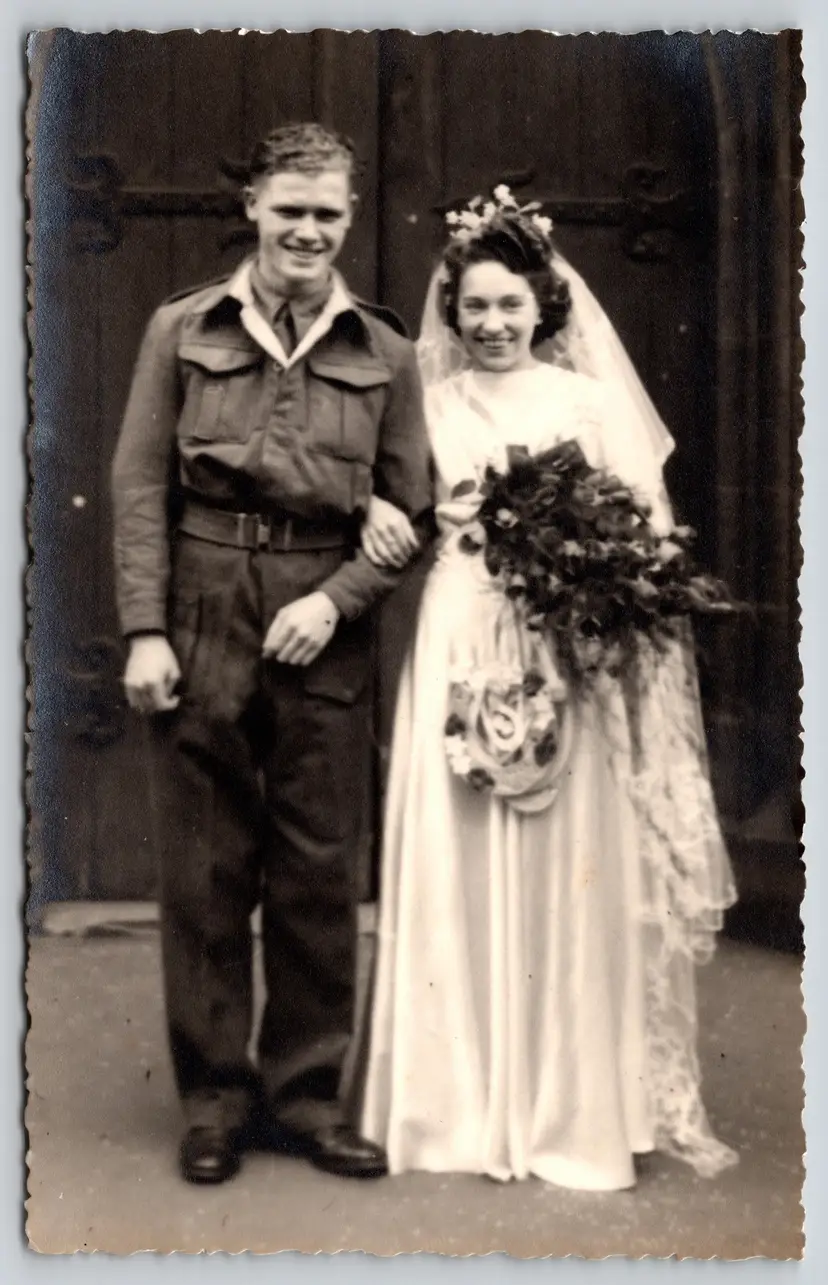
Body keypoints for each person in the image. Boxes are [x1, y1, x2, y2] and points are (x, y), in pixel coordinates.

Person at [359, 188, 739, 1190]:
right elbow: (394, 504)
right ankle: (454, 1108)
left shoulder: (587, 407)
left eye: (509, 307)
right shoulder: (427, 406)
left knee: (564, 856)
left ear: (544, 308)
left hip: (564, 641)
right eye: (473, 307)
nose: (490, 326)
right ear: (454, 310)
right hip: (456, 627)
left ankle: (567, 1105)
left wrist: (592, 593)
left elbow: (645, 543)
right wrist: (377, 519)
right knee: (461, 840)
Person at [110, 122, 430, 1185]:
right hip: (203, 605)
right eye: (289, 208)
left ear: (348, 219)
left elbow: (410, 507)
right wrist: (147, 628)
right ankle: (213, 1101)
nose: (307, 230)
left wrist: (338, 601)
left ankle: (304, 1098)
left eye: (327, 213)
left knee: (315, 871)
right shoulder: (182, 327)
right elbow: (141, 486)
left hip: (320, 627)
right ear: (251, 204)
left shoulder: (384, 350)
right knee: (205, 869)